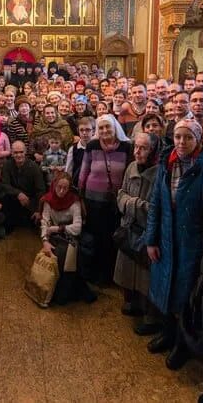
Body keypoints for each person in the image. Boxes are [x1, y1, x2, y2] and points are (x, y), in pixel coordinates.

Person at [144, 119, 203, 371]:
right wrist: (151, 240)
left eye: (188, 137)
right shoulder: (165, 167)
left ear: (197, 140)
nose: (181, 142)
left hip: (192, 243)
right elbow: (156, 204)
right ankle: (167, 333)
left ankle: (182, 344)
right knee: (165, 289)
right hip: (166, 239)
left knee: (186, 297)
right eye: (178, 136)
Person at [115, 132, 162, 334]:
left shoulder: (160, 173)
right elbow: (121, 193)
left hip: (146, 232)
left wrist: (131, 203)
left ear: (153, 151)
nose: (137, 152)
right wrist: (130, 203)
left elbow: (156, 208)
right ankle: (132, 303)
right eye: (136, 147)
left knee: (146, 276)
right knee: (128, 270)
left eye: (143, 148)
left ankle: (150, 316)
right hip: (129, 227)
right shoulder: (132, 167)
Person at [78, 114, 132, 284]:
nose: (104, 130)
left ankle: (110, 275)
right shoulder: (93, 145)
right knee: (95, 236)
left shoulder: (126, 146)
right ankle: (94, 274)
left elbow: (129, 173)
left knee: (112, 237)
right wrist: (80, 196)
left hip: (115, 202)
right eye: (100, 128)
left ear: (115, 127)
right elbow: (84, 171)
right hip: (93, 200)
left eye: (107, 126)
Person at [38, 173, 95, 304]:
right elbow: (45, 223)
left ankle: (67, 291)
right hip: (54, 237)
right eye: (59, 187)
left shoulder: (74, 201)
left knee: (70, 254)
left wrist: (58, 228)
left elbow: (77, 228)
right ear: (54, 186)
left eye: (65, 188)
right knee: (53, 254)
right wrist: (45, 241)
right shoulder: (48, 200)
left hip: (71, 236)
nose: (62, 191)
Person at [0, 140, 46, 232]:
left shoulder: (34, 167)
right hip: (14, 199)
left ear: (25, 152)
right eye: (16, 153)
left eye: (21, 152)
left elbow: (41, 190)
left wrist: (38, 210)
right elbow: (4, 184)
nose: (18, 155)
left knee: (36, 226)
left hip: (30, 202)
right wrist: (18, 193)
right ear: (12, 153)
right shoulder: (7, 165)